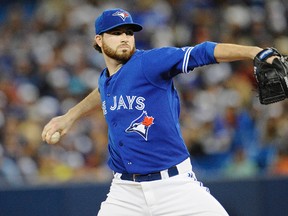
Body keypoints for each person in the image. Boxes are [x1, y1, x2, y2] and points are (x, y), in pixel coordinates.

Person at [42, 8, 277, 216]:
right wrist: (69, 116)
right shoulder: (106, 79)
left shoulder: (150, 62)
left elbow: (202, 52)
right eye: (116, 33)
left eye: (128, 33)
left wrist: (254, 52)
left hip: (174, 186)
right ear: (99, 40)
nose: (124, 38)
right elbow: (102, 92)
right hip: (125, 193)